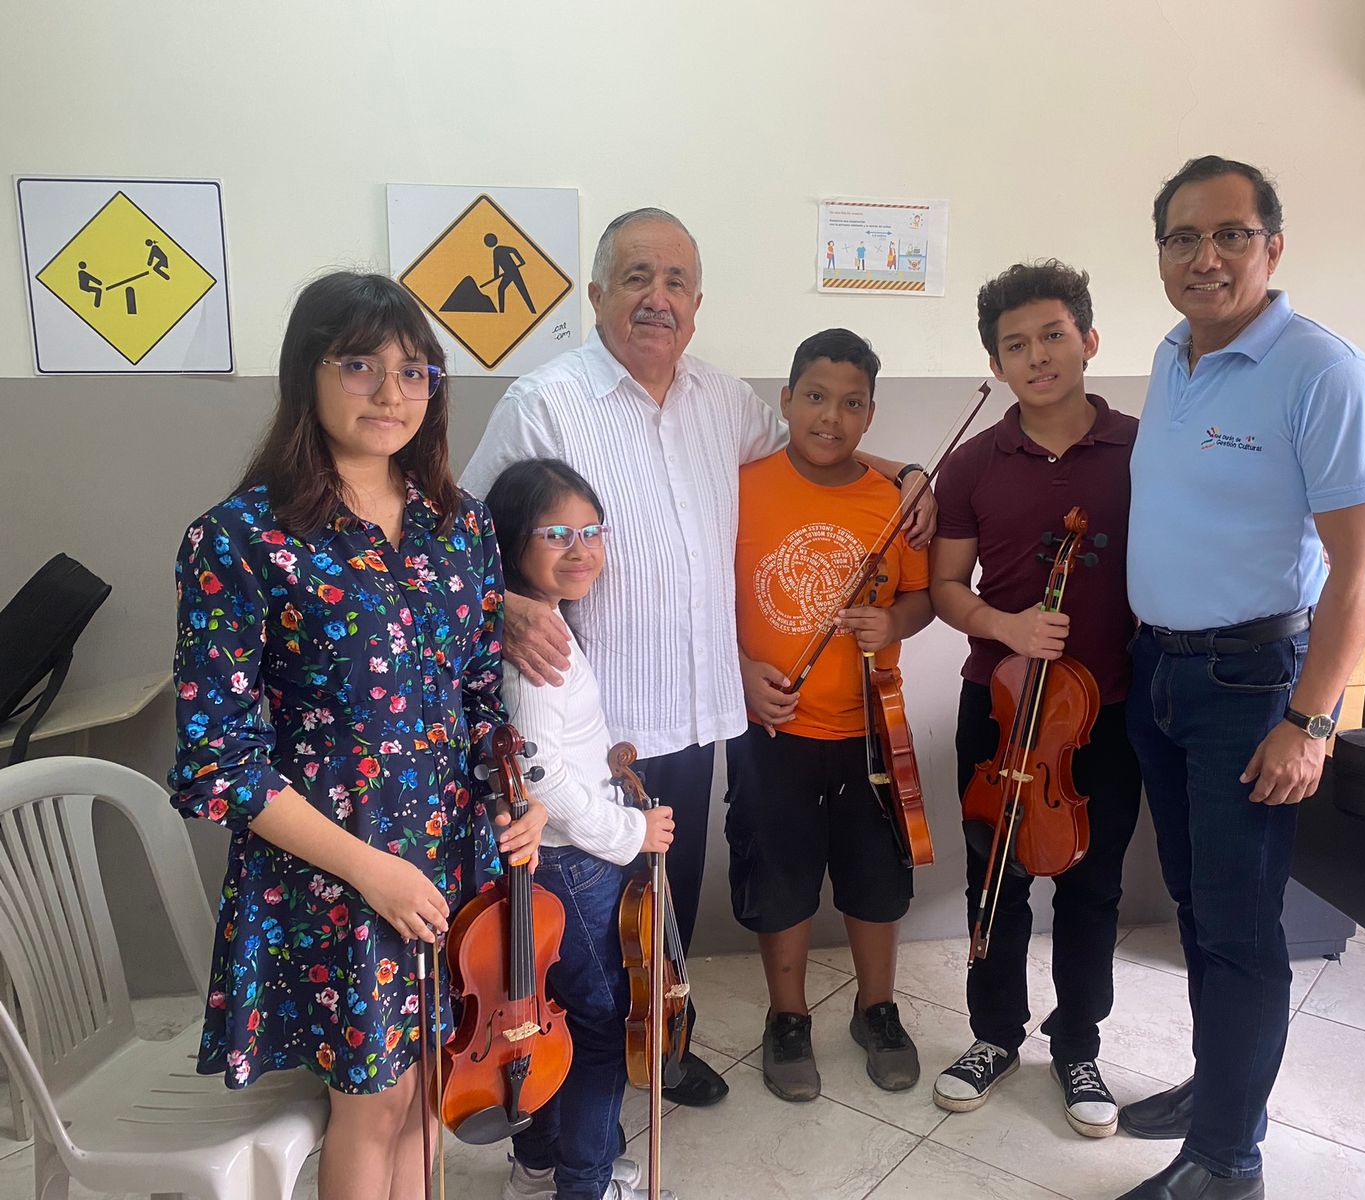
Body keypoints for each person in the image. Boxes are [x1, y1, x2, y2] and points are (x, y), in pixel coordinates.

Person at [459, 207, 933, 1110]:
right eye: (637, 277)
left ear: (698, 302)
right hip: (589, 724)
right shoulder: (544, 401)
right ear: (596, 293)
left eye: (676, 281)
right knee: (587, 918)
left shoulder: (725, 400)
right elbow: (461, 530)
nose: (658, 298)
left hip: (693, 713)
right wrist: (507, 602)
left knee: (664, 902)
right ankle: (572, 1087)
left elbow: (814, 440)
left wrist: (903, 471)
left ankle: (662, 1047)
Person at [169, 271, 544, 1200]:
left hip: (449, 860)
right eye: (360, 365)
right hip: (338, 872)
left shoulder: (459, 526)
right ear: (308, 372)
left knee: (429, 1095)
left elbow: (476, 695)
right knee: (373, 1107)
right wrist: (370, 872)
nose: (390, 392)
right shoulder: (241, 538)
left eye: (414, 371)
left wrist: (515, 799)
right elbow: (217, 762)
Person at [1115, 157, 1365, 1200]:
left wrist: (1309, 722)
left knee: (1238, 928)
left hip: (1250, 685)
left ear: (1272, 246)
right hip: (1160, 671)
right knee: (1197, 908)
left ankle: (1228, 1162)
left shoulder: (1323, 370)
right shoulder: (1172, 354)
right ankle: (1221, 1092)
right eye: (1183, 237)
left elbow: (1363, 563)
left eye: (1230, 234)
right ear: (1161, 255)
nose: (1206, 257)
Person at [927, 261, 1142, 1138]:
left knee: (1094, 886)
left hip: (1110, 710)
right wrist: (1006, 626)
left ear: (1089, 340)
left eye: (1054, 335)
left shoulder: (1143, 449)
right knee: (995, 879)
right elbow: (946, 587)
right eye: (1016, 345)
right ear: (996, 363)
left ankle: (1079, 1044)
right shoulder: (973, 464)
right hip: (1002, 707)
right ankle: (993, 1036)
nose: (1038, 356)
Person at [730, 328, 931, 1101]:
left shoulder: (894, 501)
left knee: (878, 878)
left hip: (872, 730)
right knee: (777, 876)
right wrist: (740, 669)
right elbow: (699, 599)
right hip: (771, 730)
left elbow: (919, 597)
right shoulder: (741, 486)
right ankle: (787, 1018)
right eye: (815, 397)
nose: (831, 417)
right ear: (785, 400)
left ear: (870, 415)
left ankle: (876, 1009)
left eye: (852, 404)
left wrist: (895, 621)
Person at [488, 459, 676, 1200]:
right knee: (599, 1024)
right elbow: (540, 775)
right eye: (557, 534)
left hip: (561, 860)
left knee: (547, 1016)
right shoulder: (542, 651)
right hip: (574, 863)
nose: (581, 549)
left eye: (592, 531)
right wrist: (630, 831)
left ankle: (538, 1161)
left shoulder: (537, 624)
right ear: (512, 542)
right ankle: (584, 1183)